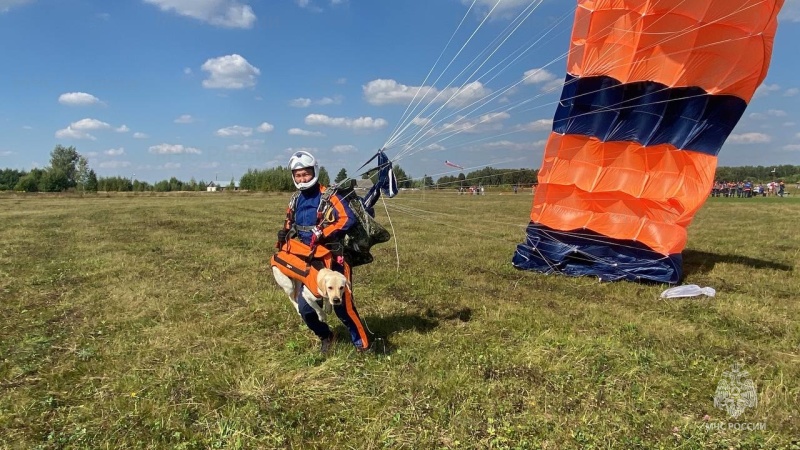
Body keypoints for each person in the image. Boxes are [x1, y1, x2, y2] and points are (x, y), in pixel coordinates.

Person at [273, 151, 370, 354]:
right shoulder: (295, 199)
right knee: (304, 308)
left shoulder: (329, 195)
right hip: (310, 260)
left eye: (305, 174)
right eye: (298, 175)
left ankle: (362, 344)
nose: (302, 179)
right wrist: (284, 233)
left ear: (314, 172)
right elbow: (290, 221)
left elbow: (346, 218)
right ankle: (326, 335)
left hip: (334, 258)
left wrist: (322, 231)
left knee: (343, 305)